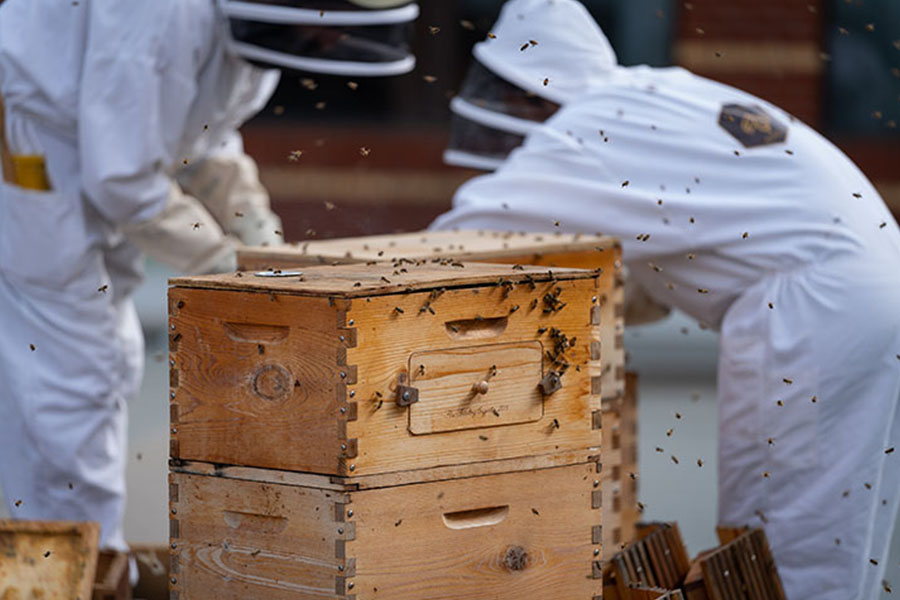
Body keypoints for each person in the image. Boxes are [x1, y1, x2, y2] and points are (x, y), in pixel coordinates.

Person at [432, 1, 900, 598]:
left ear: (533, 98)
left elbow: (457, 237)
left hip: (818, 313)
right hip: (867, 288)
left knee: (784, 540)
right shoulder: (655, 94)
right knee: (838, 526)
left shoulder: (585, 131)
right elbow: (664, 245)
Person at [0, 0, 417, 558]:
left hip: (94, 150)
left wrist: (263, 239)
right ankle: (73, 567)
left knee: (104, 356)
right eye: (329, 21)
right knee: (72, 369)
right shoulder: (158, 14)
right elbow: (123, 182)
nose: (331, 40)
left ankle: (84, 556)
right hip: (42, 153)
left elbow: (206, 137)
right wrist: (227, 262)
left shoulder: (242, 30)